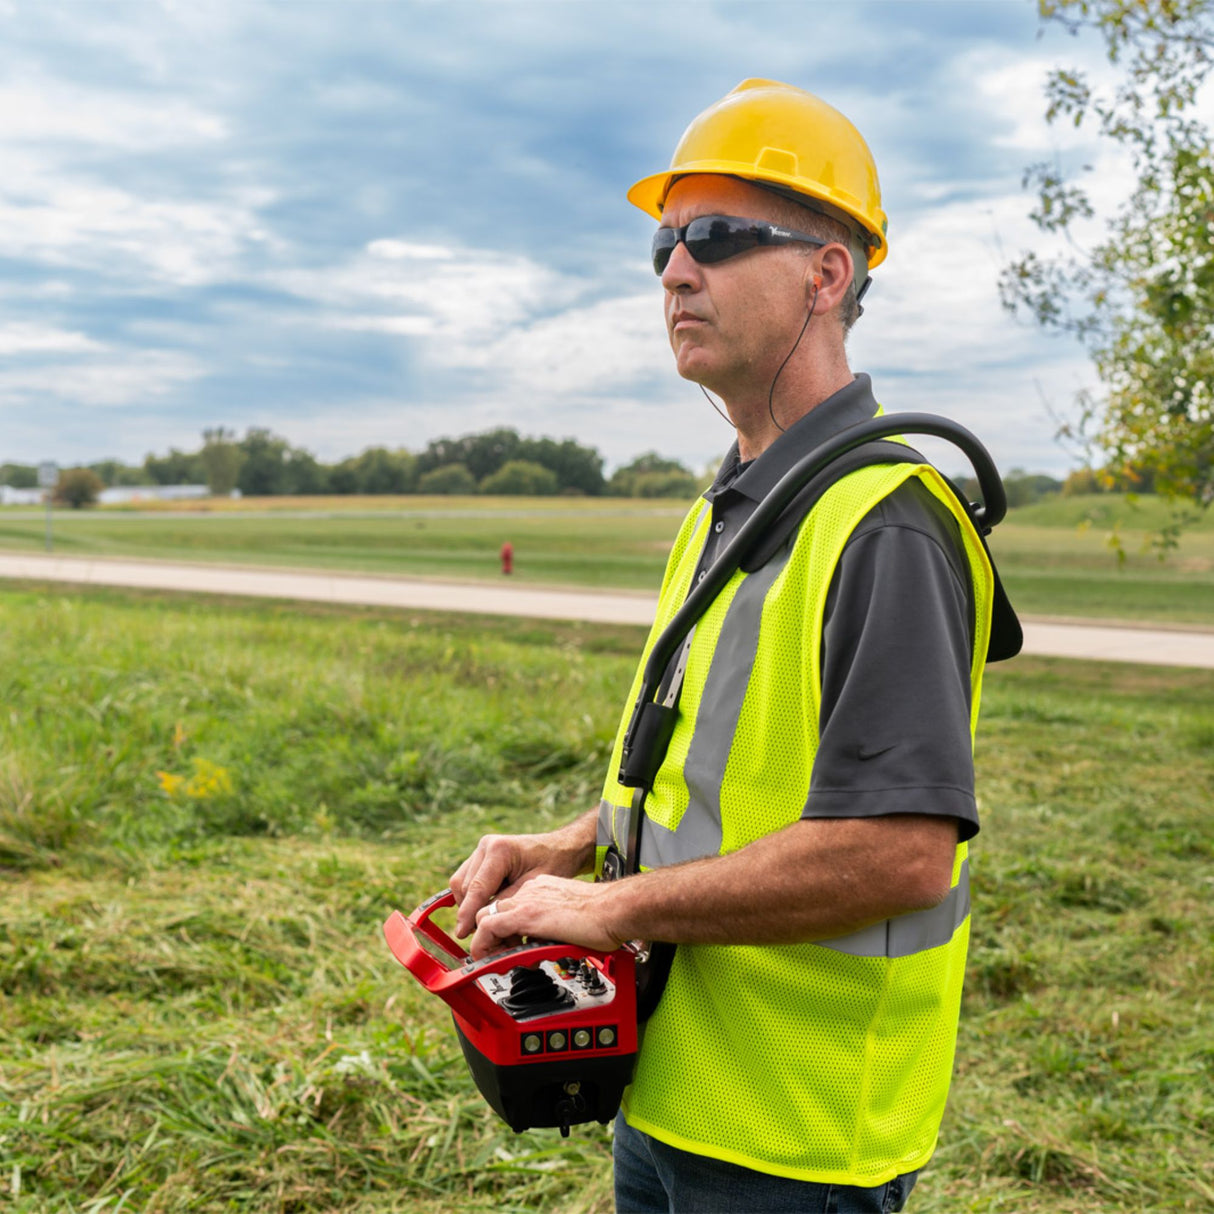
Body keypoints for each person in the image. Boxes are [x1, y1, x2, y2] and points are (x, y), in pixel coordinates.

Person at [451, 79, 999, 1213]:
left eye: (714, 236)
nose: (672, 271)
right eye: (662, 241)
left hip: (793, 1138)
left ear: (827, 274)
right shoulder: (730, 504)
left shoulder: (884, 522)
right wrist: (566, 847)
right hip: (670, 1092)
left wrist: (611, 910)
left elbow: (900, 850)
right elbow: (716, 772)